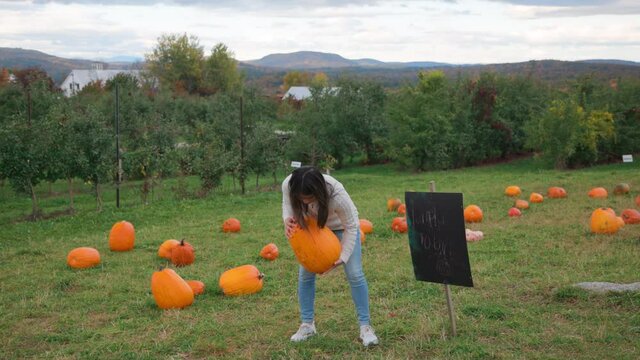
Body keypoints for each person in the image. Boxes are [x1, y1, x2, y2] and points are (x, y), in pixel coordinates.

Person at [282, 166, 379, 347]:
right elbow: (287, 206)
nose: (304, 201)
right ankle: (307, 325)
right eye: (300, 198)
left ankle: (365, 327)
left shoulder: (337, 196)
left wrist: (342, 256)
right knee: (305, 275)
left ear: (318, 192)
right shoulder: (289, 184)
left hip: (342, 228)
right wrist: (287, 219)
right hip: (314, 229)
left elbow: (352, 226)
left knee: (355, 274)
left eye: (308, 198)